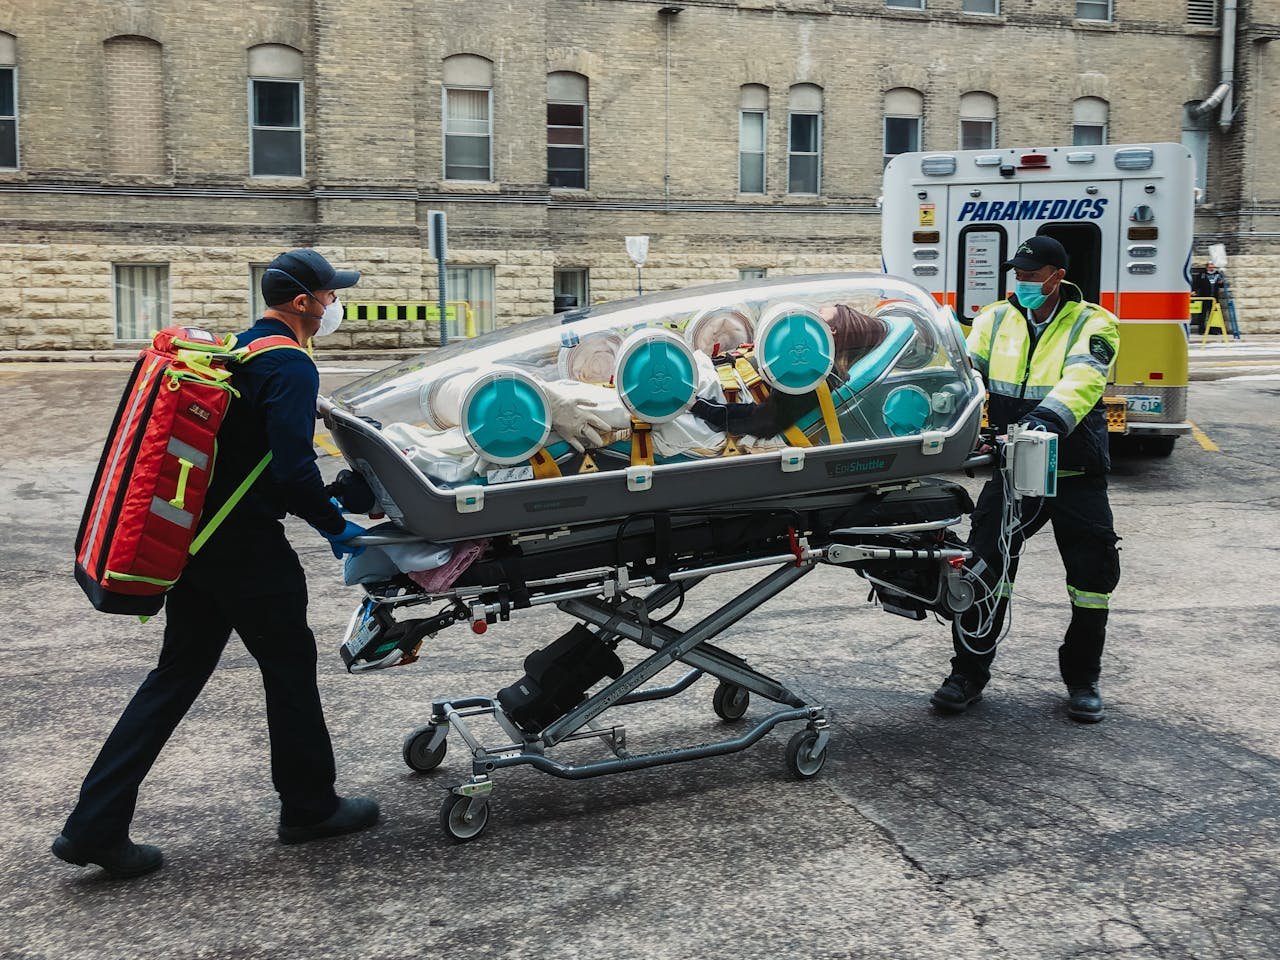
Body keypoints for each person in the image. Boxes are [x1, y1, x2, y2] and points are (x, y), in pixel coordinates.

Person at [53, 249, 378, 878]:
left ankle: (94, 824)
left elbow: (249, 456)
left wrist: (327, 498)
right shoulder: (288, 362)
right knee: (288, 664)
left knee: (176, 676)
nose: (337, 302)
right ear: (304, 303)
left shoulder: (242, 348)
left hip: (197, 543)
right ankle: (309, 805)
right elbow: (290, 470)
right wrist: (337, 526)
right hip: (247, 549)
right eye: (331, 293)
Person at [931, 236, 1122, 723]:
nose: (1022, 282)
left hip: (1074, 469)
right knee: (983, 568)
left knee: (1091, 579)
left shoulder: (1093, 323)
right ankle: (967, 675)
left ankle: (1083, 680)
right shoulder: (996, 318)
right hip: (1014, 469)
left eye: (1031, 274)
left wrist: (1045, 420)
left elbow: (1084, 379)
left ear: (1057, 276)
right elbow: (968, 372)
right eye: (1017, 273)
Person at [1192, 261, 1228, 334]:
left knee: (1214, 315)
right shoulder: (1202, 274)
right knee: (1203, 314)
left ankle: (1214, 330)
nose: (1211, 267)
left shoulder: (1217, 274)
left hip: (1214, 298)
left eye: (1212, 265)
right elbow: (1196, 283)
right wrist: (1194, 290)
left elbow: (1222, 285)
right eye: (1210, 265)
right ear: (1207, 266)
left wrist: (1222, 283)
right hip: (1204, 297)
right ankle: (1201, 330)